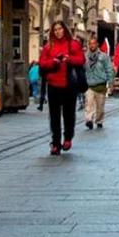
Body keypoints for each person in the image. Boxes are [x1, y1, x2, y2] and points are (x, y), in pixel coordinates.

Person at [39, 21, 85, 154]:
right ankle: (55, 143)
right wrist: (53, 62)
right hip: (53, 84)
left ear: (64, 30)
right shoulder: (49, 46)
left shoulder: (73, 44)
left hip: (69, 85)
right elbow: (42, 64)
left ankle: (68, 138)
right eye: (55, 30)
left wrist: (68, 59)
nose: (58, 32)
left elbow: (81, 60)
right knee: (54, 116)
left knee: (69, 114)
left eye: (60, 29)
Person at [84, 35, 113, 129]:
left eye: (93, 43)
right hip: (89, 84)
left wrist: (110, 82)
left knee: (100, 106)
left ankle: (99, 120)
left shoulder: (103, 56)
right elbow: (82, 69)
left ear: (97, 44)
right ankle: (89, 120)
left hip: (100, 84)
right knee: (89, 104)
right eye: (90, 44)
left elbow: (109, 69)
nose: (92, 45)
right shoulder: (85, 57)